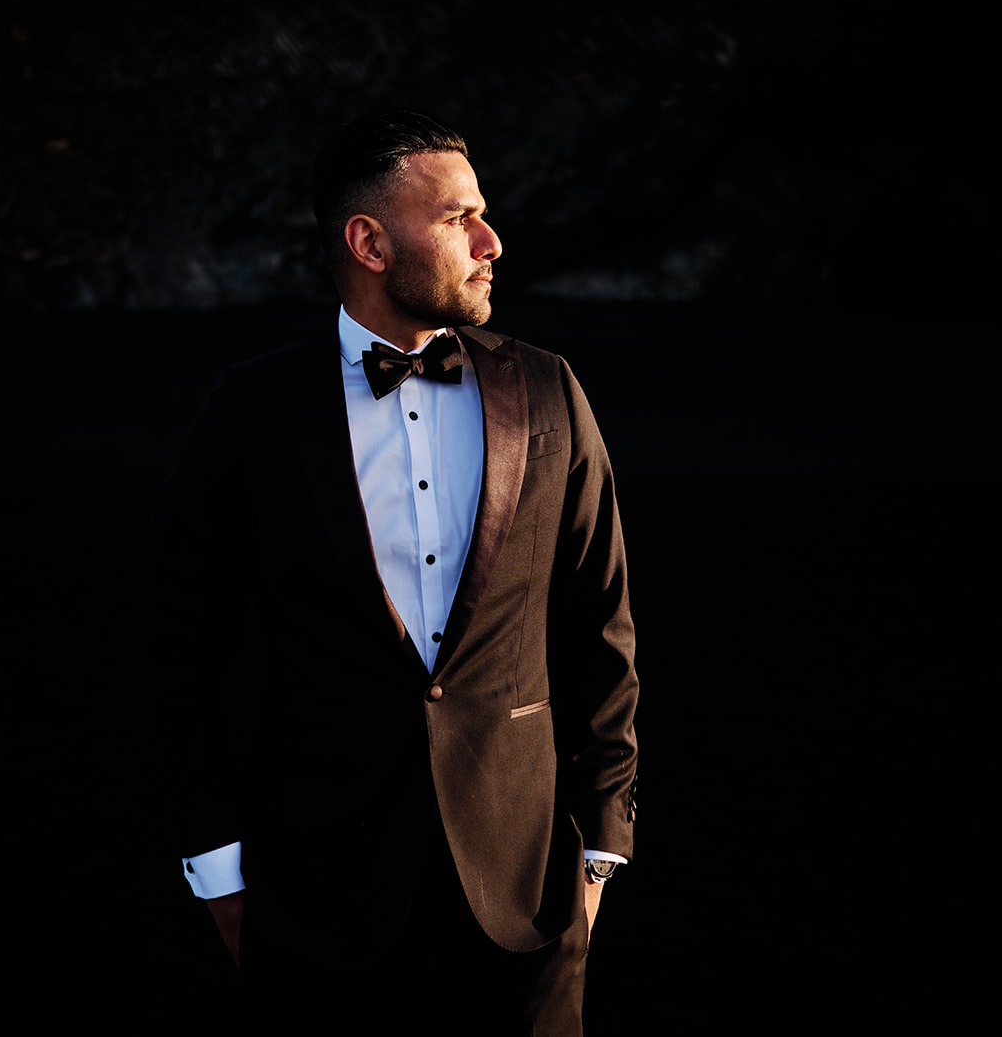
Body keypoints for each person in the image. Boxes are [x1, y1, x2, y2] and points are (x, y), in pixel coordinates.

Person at [150, 110, 638, 1035]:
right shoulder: (252, 413)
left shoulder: (549, 391)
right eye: (458, 219)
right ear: (368, 242)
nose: (491, 242)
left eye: (483, 214)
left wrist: (602, 853)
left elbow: (600, 627)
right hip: (316, 912)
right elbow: (183, 652)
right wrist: (217, 874)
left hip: (527, 912)